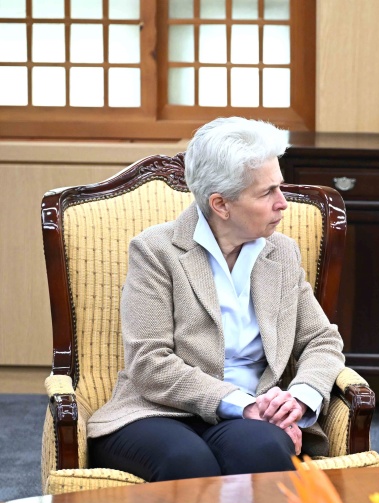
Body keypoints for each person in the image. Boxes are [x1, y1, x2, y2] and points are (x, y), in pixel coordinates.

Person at [88, 117, 345, 482]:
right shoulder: (156, 251)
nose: (283, 203)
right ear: (221, 205)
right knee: (188, 462)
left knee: (264, 451)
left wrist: (298, 399)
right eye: (267, 192)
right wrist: (245, 405)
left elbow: (321, 340)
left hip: (253, 414)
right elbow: (149, 362)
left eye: (280, 188)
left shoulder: (281, 253)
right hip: (158, 412)